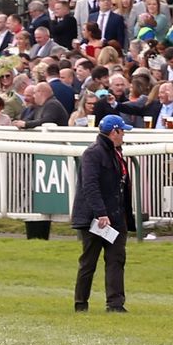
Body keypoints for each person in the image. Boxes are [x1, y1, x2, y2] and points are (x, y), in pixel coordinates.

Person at [72, 114, 133, 313]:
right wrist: (101, 213)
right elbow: (90, 186)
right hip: (96, 219)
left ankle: (115, 304)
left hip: (116, 217)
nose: (124, 134)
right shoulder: (93, 153)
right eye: (122, 131)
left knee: (116, 260)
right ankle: (81, 303)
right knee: (89, 261)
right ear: (114, 132)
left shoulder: (116, 152)